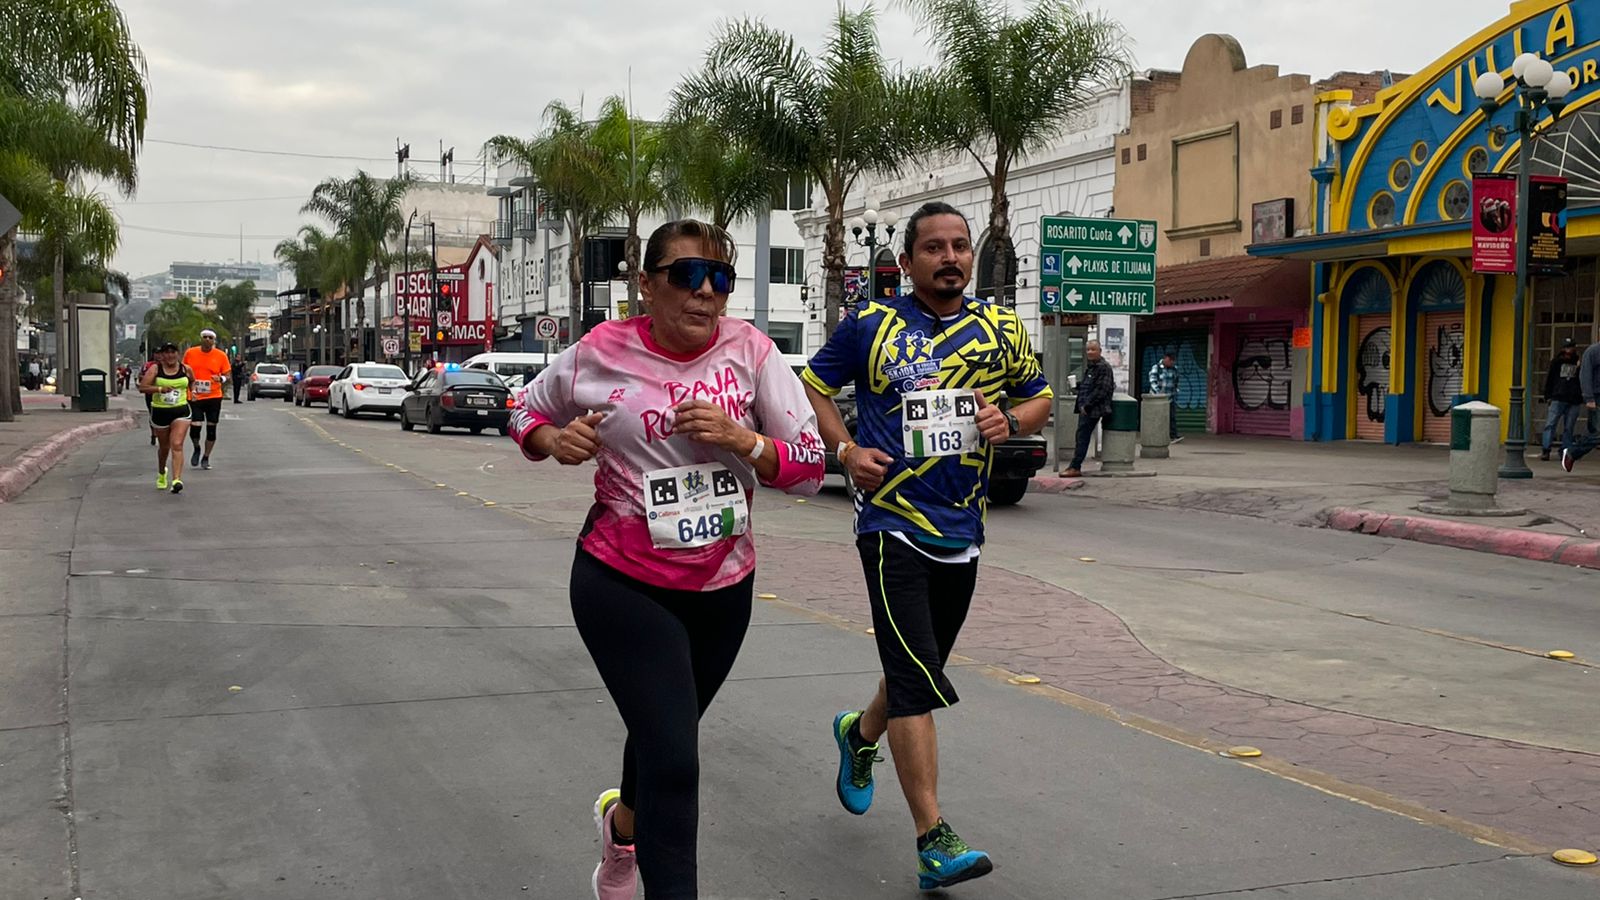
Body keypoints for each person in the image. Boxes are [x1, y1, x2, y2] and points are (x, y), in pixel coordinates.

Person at [509, 219, 824, 900]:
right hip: (620, 579)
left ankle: (623, 829)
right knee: (677, 761)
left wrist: (747, 440)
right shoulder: (600, 351)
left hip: (723, 588)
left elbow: (809, 467)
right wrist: (551, 439)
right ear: (646, 285)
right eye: (686, 275)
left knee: (663, 735)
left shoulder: (754, 353)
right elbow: (523, 409)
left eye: (720, 279)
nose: (704, 293)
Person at [802, 201, 1053, 891]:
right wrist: (846, 450)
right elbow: (815, 387)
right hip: (889, 524)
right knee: (917, 678)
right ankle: (932, 838)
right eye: (935, 247)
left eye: (960, 246)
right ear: (907, 260)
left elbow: (1041, 398)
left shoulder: (999, 328)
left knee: (920, 665)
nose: (950, 257)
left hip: (963, 529)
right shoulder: (871, 325)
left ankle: (858, 734)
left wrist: (1012, 420)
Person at [138, 341, 193, 494]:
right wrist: (160, 389)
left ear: (178, 354)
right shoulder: (155, 369)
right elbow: (142, 387)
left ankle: (176, 480)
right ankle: (162, 472)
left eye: (173, 352)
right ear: (162, 355)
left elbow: (192, 381)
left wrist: (192, 392)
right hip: (160, 411)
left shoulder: (185, 369)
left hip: (181, 410)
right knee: (164, 448)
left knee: (177, 444)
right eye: (166, 352)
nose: (170, 355)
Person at [1064, 340, 1117, 478]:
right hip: (1085, 408)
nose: (1090, 352)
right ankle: (1075, 466)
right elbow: (1089, 385)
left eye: (1093, 349)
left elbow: (1102, 389)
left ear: (1100, 351)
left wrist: (1087, 405)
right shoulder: (1091, 367)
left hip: (1093, 409)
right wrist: (1077, 386)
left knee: (1082, 437)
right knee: (1081, 436)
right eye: (1088, 350)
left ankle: (1075, 467)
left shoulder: (1103, 367)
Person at [182, 329, 231, 470]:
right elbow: (183, 369)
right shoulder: (190, 353)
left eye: (210, 338)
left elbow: (227, 375)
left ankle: (206, 456)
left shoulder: (221, 356)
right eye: (205, 337)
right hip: (195, 395)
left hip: (214, 396)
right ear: (201, 338)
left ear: (214, 340)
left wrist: (220, 378)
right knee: (195, 426)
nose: (207, 340)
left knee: (211, 428)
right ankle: (196, 447)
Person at [1542, 338, 1585, 461]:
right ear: (1563, 349)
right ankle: (1546, 449)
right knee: (1551, 424)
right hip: (1559, 396)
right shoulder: (1556, 362)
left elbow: (1582, 378)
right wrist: (1548, 395)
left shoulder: (1578, 362)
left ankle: (1565, 450)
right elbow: (1550, 378)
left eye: (1571, 347)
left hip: (1573, 397)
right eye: (1567, 347)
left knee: (1569, 426)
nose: (1569, 350)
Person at [1561, 339, 1600, 471]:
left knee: (1594, 431)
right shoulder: (1593, 352)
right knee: (1597, 432)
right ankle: (1572, 452)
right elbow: (1585, 375)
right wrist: (1589, 397)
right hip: (1596, 397)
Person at [1148, 351, 1181, 443]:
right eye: (1171, 361)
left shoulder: (1174, 369)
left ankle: (1173, 435)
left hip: (1171, 398)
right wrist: (1159, 395)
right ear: (1166, 359)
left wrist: (1176, 392)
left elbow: (1176, 382)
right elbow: (1153, 382)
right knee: (1158, 418)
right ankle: (1156, 435)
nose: (1172, 363)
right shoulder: (1156, 368)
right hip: (1158, 399)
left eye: (1173, 361)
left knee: (1172, 417)